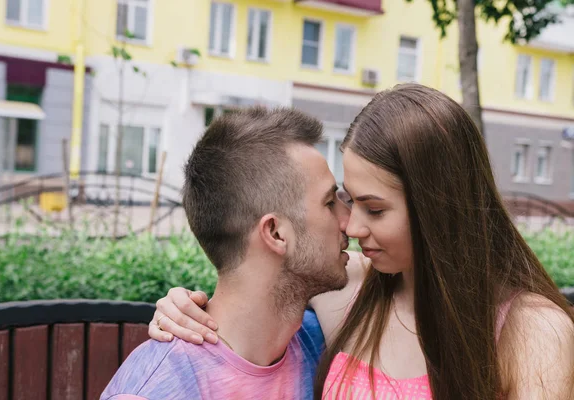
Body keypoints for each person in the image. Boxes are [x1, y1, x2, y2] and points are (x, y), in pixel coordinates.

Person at [148, 83, 574, 399]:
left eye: (375, 208)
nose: (351, 226)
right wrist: (179, 305)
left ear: (439, 208)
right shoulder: (351, 286)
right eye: (347, 200)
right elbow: (255, 279)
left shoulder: (534, 331)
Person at [101, 107, 355, 400]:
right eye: (328, 203)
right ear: (275, 233)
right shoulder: (159, 388)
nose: (350, 220)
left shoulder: (317, 339)